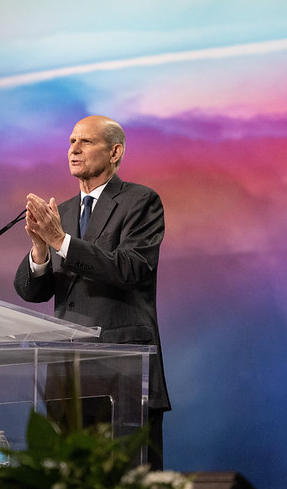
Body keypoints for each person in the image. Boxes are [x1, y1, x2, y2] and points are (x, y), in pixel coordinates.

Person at [14, 115, 170, 469]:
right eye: (71, 141)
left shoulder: (140, 201)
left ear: (115, 152)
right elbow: (30, 291)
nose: (74, 149)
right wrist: (40, 249)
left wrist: (60, 241)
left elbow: (130, 268)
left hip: (124, 373)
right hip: (67, 380)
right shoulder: (62, 212)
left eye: (85, 142)